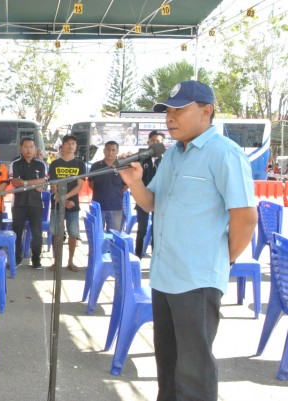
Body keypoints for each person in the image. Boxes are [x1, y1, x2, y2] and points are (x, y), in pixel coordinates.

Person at [118, 80, 257, 401]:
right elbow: (153, 203)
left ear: (206, 111)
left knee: (193, 374)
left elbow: (245, 218)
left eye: (179, 109)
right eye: (168, 110)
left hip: (197, 280)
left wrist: (222, 261)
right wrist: (134, 183)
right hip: (165, 277)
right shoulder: (174, 156)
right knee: (168, 368)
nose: (170, 117)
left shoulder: (225, 154)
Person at [47, 134, 86, 272]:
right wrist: (61, 199)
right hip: (57, 203)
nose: (71, 145)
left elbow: (79, 186)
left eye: (73, 143)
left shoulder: (80, 164)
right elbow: (53, 185)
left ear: (76, 147)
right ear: (62, 145)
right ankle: (57, 262)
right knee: (56, 233)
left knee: (73, 233)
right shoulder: (55, 164)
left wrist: (66, 198)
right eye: (68, 143)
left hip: (73, 205)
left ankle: (70, 261)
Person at [9, 137, 47, 268]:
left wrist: (24, 182)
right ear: (21, 148)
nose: (29, 149)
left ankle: (36, 259)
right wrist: (34, 183)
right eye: (26, 147)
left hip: (36, 204)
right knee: (17, 232)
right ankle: (17, 258)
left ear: (35, 149)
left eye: (31, 147)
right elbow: (15, 183)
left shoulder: (41, 164)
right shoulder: (15, 164)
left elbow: (41, 186)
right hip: (19, 204)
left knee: (37, 234)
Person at [134, 130, 165, 258]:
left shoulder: (166, 160)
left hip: (159, 201)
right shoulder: (142, 159)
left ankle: (155, 256)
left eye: (158, 141)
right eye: (153, 140)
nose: (155, 143)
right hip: (143, 200)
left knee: (156, 230)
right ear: (148, 142)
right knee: (142, 229)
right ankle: (138, 255)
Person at [88, 141, 126, 231]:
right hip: (98, 206)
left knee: (113, 237)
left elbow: (126, 185)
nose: (110, 152)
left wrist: (115, 193)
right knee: (97, 236)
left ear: (117, 151)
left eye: (113, 150)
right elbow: (91, 184)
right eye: (108, 150)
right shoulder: (96, 166)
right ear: (104, 151)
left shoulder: (123, 166)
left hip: (115, 206)